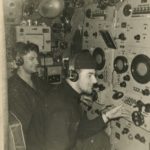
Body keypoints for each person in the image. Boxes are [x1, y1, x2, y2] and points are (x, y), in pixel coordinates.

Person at [45, 50, 128, 150]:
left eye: (94, 75)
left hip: (68, 141)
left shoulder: (67, 93)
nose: (95, 80)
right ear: (73, 74)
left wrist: (107, 116)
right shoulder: (61, 107)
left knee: (102, 138)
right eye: (89, 75)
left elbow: (79, 129)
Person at [8, 42, 48, 150]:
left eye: (37, 58)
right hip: (32, 142)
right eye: (32, 59)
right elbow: (26, 125)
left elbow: (52, 93)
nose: (37, 62)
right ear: (19, 61)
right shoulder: (13, 87)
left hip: (44, 132)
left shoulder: (36, 79)